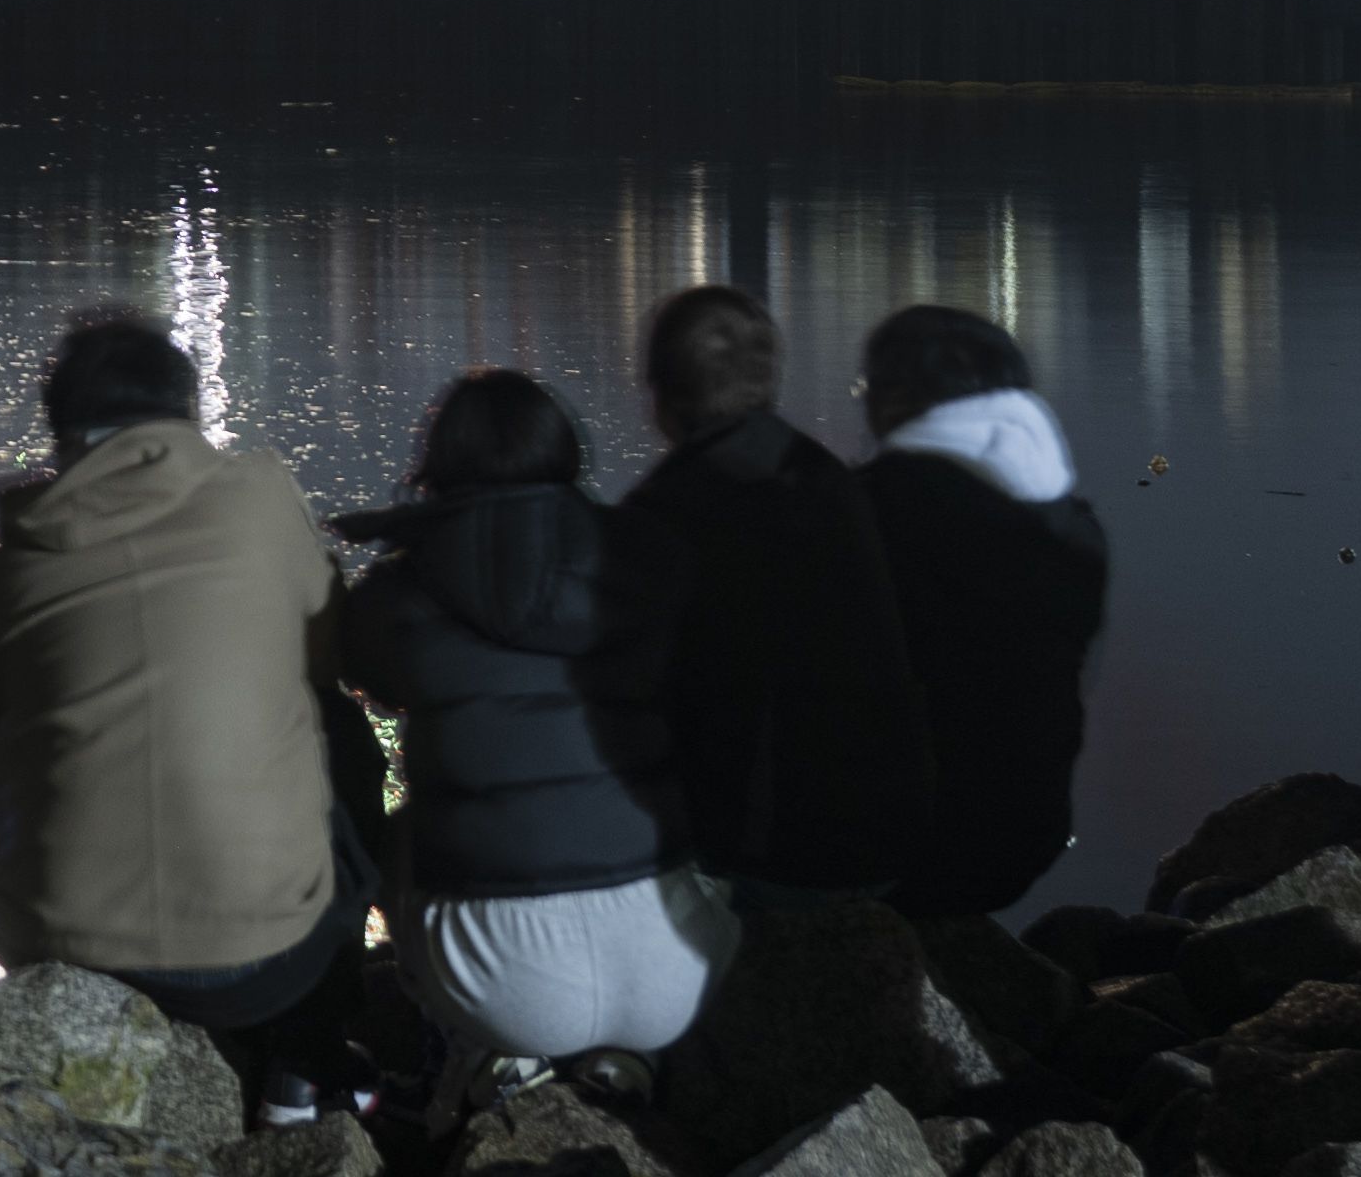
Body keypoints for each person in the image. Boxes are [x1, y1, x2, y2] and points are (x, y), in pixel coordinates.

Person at [0, 313, 372, 1060]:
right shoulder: (263, 503)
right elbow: (326, 665)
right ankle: (313, 1059)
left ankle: (78, 1038)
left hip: (72, 951)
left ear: (62, 426)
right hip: (273, 963)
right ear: (184, 410)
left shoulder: (12, 565)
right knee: (339, 733)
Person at [334, 371, 733, 1078]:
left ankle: (483, 1060)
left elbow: (363, 672)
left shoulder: (400, 591)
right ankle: (634, 1069)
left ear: (441, 464)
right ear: (566, 454)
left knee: (397, 829)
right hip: (674, 969)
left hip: (502, 980)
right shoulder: (652, 562)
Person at [621, 286, 934, 902]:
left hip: (768, 845)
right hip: (887, 823)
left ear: (664, 392)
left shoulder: (670, 510)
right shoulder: (829, 481)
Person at [847, 305, 1109, 917]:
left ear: (894, 400)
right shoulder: (1073, 523)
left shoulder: (872, 512)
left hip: (902, 844)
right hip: (1028, 833)